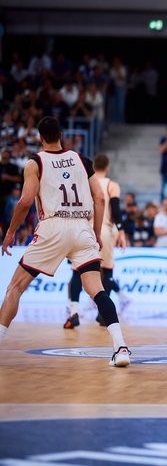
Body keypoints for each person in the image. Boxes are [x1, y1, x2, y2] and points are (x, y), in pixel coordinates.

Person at [0, 117, 131, 367]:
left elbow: (26, 201)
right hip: (82, 227)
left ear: (40, 138)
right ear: (61, 135)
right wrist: (94, 231)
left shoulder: (35, 162)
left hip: (53, 227)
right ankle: (121, 347)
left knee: (15, 288)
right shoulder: (82, 160)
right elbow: (99, 198)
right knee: (98, 291)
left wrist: (10, 232)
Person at [63, 154, 129, 329]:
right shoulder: (111, 185)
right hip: (105, 231)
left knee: (77, 272)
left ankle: (74, 313)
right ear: (107, 167)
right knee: (106, 273)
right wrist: (121, 231)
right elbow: (115, 209)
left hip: (82, 229)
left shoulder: (84, 182)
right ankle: (102, 314)